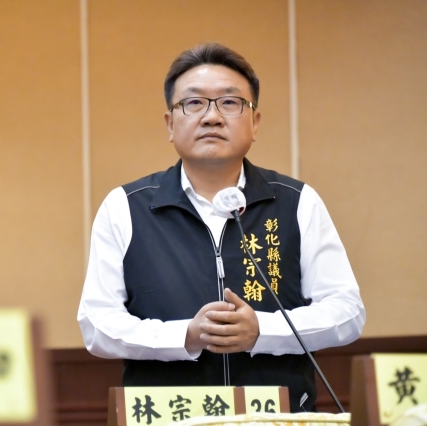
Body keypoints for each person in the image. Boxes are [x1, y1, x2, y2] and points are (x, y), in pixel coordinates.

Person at [77, 42, 365, 412]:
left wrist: (262, 331)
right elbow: (97, 324)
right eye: (194, 103)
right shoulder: (125, 207)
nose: (212, 117)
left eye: (229, 102)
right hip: (172, 415)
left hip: (275, 416)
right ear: (170, 124)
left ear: (255, 122)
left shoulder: (297, 202)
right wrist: (186, 335)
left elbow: (346, 312)